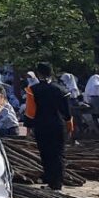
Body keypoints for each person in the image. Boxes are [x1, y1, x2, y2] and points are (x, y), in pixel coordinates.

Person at [29, 62, 70, 191]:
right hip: (58, 125)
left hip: (41, 126)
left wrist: (29, 129)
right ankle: (57, 183)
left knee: (46, 153)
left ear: (38, 73)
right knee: (58, 154)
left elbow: (30, 113)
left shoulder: (33, 90)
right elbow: (67, 113)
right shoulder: (61, 90)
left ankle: (51, 181)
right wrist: (69, 127)